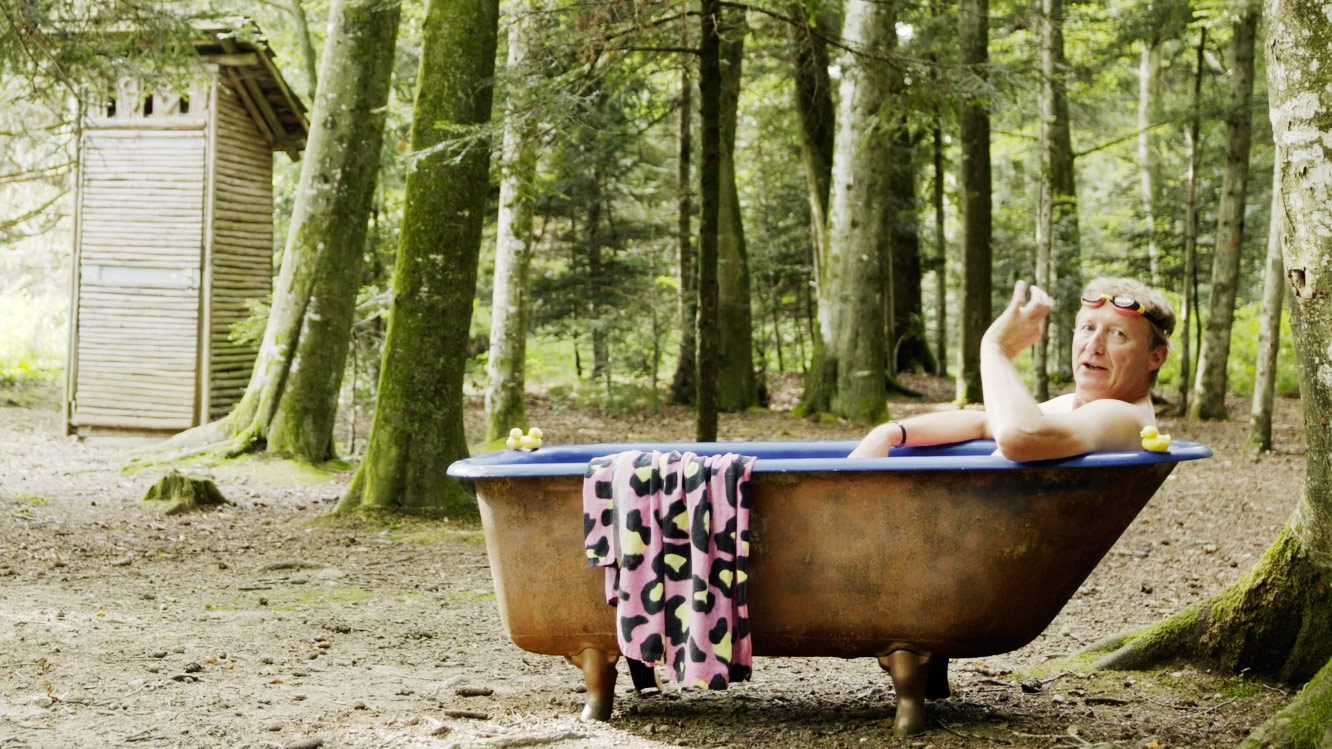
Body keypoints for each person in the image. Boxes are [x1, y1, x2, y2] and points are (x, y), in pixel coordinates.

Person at [849, 277, 1175, 461]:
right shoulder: (1079, 409)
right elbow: (982, 424)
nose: (1094, 346)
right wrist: (891, 433)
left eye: (1117, 334)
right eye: (1088, 328)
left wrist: (996, 349)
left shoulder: (1123, 415)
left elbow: (1020, 435)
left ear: (1155, 357)